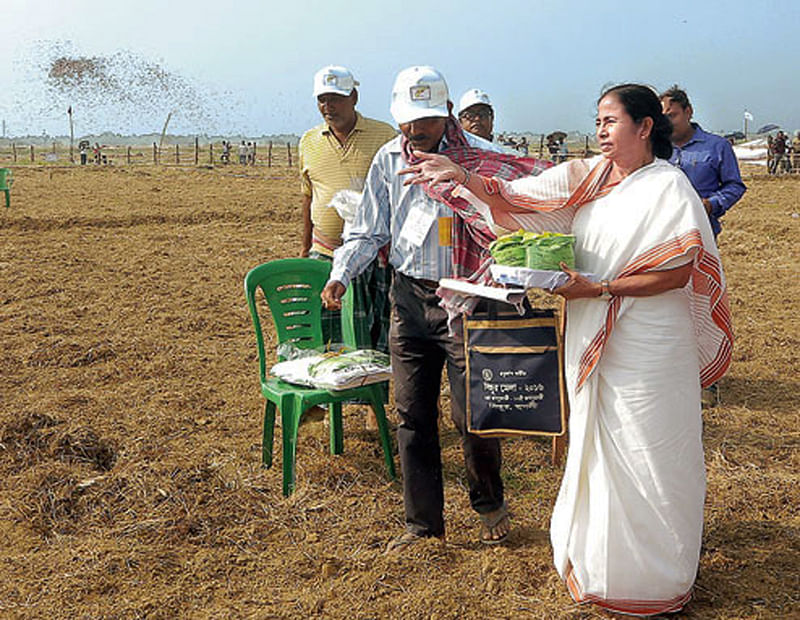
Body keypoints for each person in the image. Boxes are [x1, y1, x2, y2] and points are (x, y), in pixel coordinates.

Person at [399, 83, 732, 616]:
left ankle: (658, 579)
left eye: (610, 121)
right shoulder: (588, 177)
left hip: (650, 341)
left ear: (644, 127)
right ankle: (603, 566)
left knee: (648, 449)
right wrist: (460, 177)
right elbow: (521, 195)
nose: (600, 131)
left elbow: (677, 272)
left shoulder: (669, 187)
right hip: (592, 324)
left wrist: (598, 289)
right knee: (601, 445)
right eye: (596, 121)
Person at [321, 66, 541, 552]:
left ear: (446, 114)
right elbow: (369, 230)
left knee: (473, 415)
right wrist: (342, 273)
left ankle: (489, 503)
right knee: (411, 415)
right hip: (410, 298)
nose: (415, 133)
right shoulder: (388, 160)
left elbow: (529, 201)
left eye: (424, 122)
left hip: (467, 297)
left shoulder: (482, 160)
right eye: (406, 123)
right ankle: (423, 524)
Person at [298, 65, 397, 354]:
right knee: (323, 329)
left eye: (336, 99)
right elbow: (307, 196)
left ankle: (370, 394)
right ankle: (327, 394)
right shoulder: (309, 141)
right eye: (322, 100)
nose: (328, 107)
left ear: (353, 97)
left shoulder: (383, 136)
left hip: (371, 253)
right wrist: (304, 249)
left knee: (371, 332)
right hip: (324, 250)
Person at [660, 85, 746, 238]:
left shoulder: (717, 146)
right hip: (661, 233)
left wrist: (710, 204)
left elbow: (734, 185)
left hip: (701, 232)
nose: (667, 123)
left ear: (688, 112)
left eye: (672, 116)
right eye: (663, 118)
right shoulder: (654, 149)